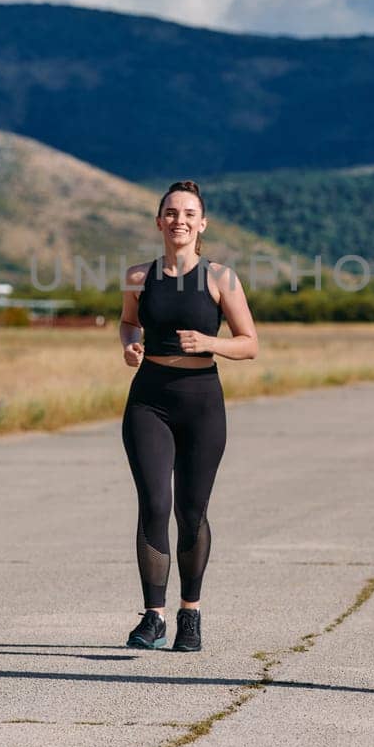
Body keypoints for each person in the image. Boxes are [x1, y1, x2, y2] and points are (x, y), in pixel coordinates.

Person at [117, 181, 258, 651]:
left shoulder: (222, 278)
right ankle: (152, 617)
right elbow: (128, 321)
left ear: (202, 224)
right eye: (171, 213)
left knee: (191, 512)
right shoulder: (138, 276)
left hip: (201, 402)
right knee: (154, 505)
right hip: (149, 399)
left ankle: (190, 615)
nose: (179, 220)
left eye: (189, 213)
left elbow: (249, 343)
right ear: (159, 222)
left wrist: (211, 343)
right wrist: (129, 345)